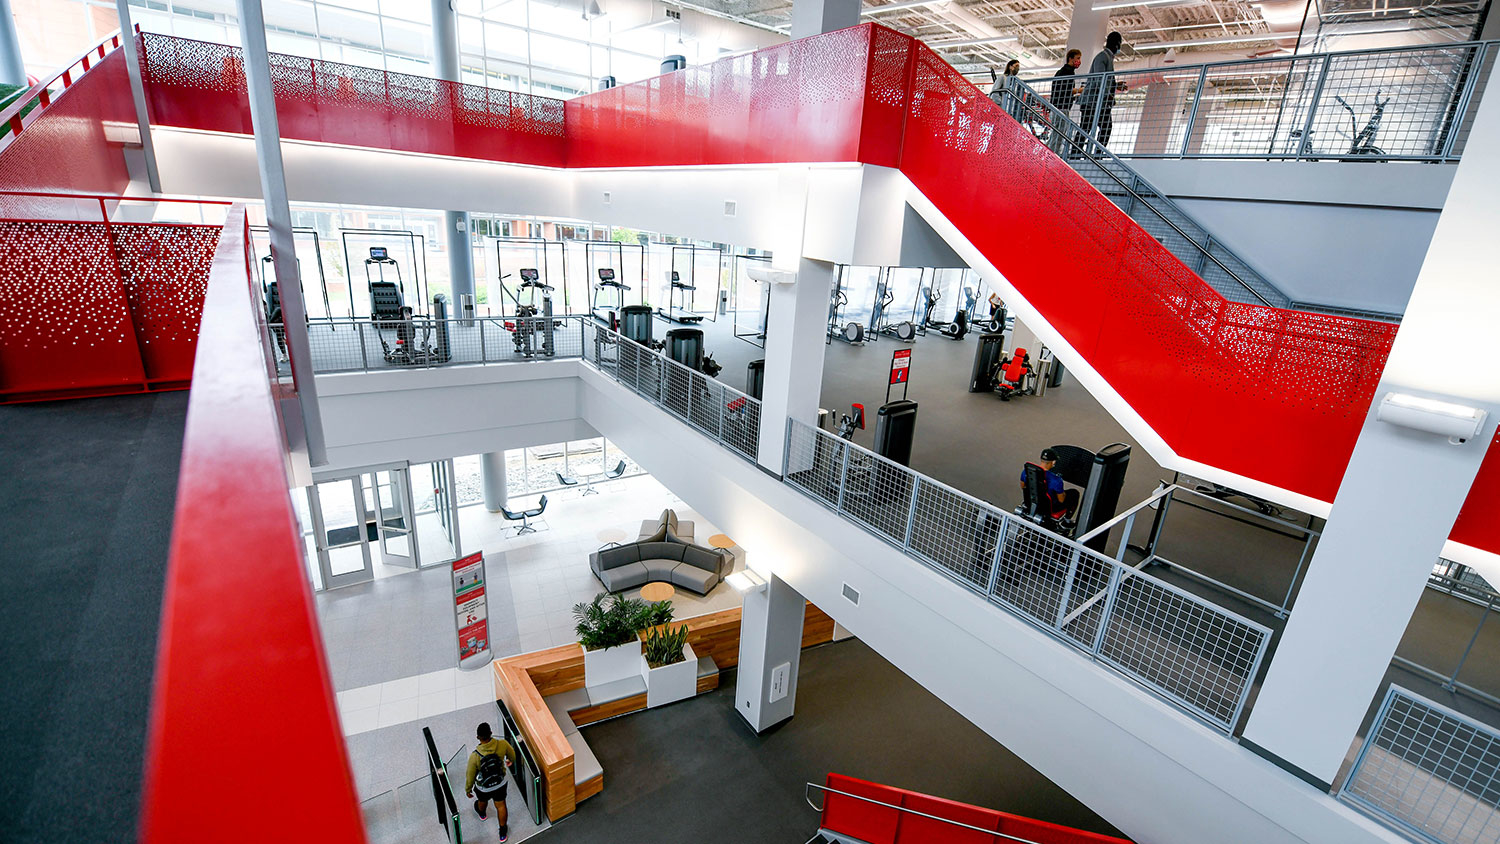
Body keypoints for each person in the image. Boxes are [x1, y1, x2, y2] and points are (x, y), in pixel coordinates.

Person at [465, 722, 517, 841]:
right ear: (491, 733)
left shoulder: (475, 756)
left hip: (484, 787)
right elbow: (512, 754)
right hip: (500, 783)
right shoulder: (502, 744)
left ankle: (482, 813)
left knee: (482, 801)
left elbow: (470, 775)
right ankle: (503, 832)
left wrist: (468, 789)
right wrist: (510, 760)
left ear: (478, 737)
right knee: (501, 805)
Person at [1079, 31, 1127, 151]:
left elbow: (1105, 80)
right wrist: (1108, 95)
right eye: (1119, 44)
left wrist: (1115, 86)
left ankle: (1095, 154)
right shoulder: (1102, 57)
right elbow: (1100, 80)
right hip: (1092, 101)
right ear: (1116, 44)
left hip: (1099, 101)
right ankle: (1078, 153)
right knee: (1088, 128)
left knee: (1099, 128)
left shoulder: (1108, 58)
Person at [1021, 448, 1079, 520]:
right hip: (1049, 508)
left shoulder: (1027, 472)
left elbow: (1023, 486)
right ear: (1053, 462)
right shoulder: (1056, 480)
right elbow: (1061, 500)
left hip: (1030, 502)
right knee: (1074, 493)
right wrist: (1062, 492)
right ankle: (1066, 521)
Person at [1047, 49, 1084, 156]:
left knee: (1056, 133)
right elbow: (1066, 89)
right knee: (1058, 133)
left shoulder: (1064, 71)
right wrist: (1079, 90)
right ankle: (1053, 155)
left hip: (1059, 107)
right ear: (1070, 58)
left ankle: (1051, 153)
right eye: (1078, 58)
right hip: (1061, 108)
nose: (1079, 61)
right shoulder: (1067, 72)